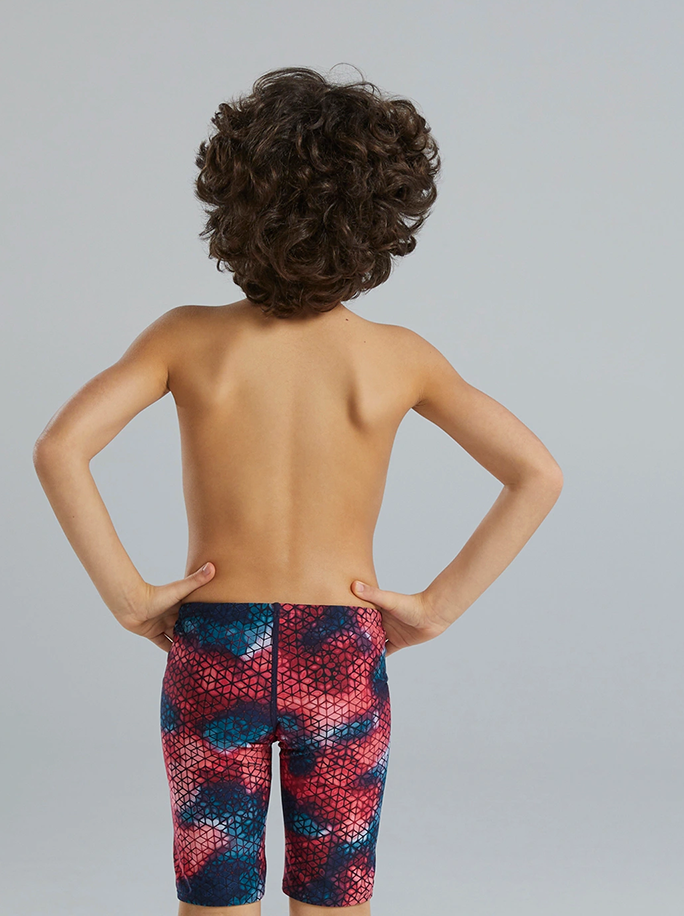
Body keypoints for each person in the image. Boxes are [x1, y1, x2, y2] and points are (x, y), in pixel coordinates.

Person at [32, 66, 563, 916]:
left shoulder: (185, 340)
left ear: (233, 204)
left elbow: (61, 447)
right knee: (335, 894)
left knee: (214, 890)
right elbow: (537, 472)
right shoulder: (398, 358)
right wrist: (436, 607)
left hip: (215, 649)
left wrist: (129, 598)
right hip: (341, 652)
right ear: (380, 221)